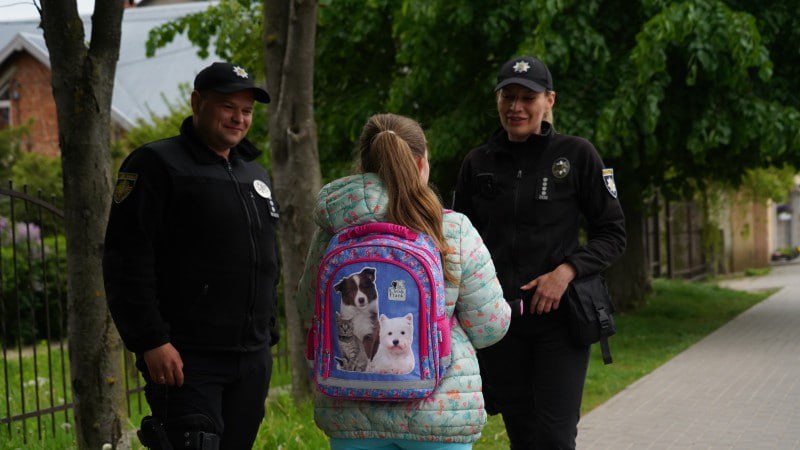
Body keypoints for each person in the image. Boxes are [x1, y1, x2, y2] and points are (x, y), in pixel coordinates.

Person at [296, 113, 511, 450]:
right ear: (422, 163)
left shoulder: (333, 230)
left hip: (350, 412)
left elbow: (310, 307)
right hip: (440, 410)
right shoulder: (451, 229)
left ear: (364, 165)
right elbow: (489, 327)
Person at [103, 61, 280, 450]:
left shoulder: (256, 174)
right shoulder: (156, 165)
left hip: (251, 357)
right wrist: (151, 341)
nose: (239, 118)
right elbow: (126, 259)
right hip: (187, 360)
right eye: (228, 106)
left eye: (247, 111)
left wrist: (267, 329)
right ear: (197, 102)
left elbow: (266, 258)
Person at [453, 55, 627, 449]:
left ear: (549, 100)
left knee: (555, 436)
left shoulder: (577, 155)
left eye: (527, 98)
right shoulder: (477, 163)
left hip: (560, 323)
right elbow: (458, 240)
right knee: (522, 432)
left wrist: (566, 271)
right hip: (500, 323)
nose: (516, 107)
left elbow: (612, 233)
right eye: (507, 97)